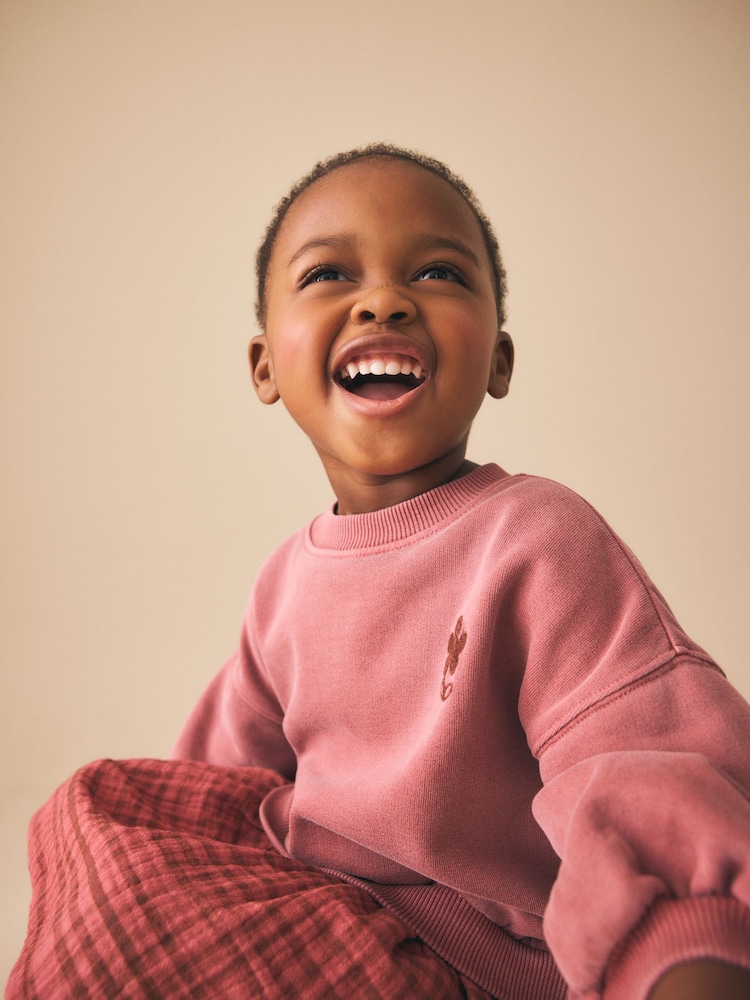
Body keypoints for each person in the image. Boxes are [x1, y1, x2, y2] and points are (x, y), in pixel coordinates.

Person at [171, 144, 750, 999]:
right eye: (328, 273)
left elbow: (638, 761)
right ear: (265, 366)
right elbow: (206, 797)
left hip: (474, 961)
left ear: (499, 360)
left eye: (439, 272)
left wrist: (686, 942)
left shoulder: (536, 538)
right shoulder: (283, 585)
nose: (383, 300)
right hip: (322, 924)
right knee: (90, 817)